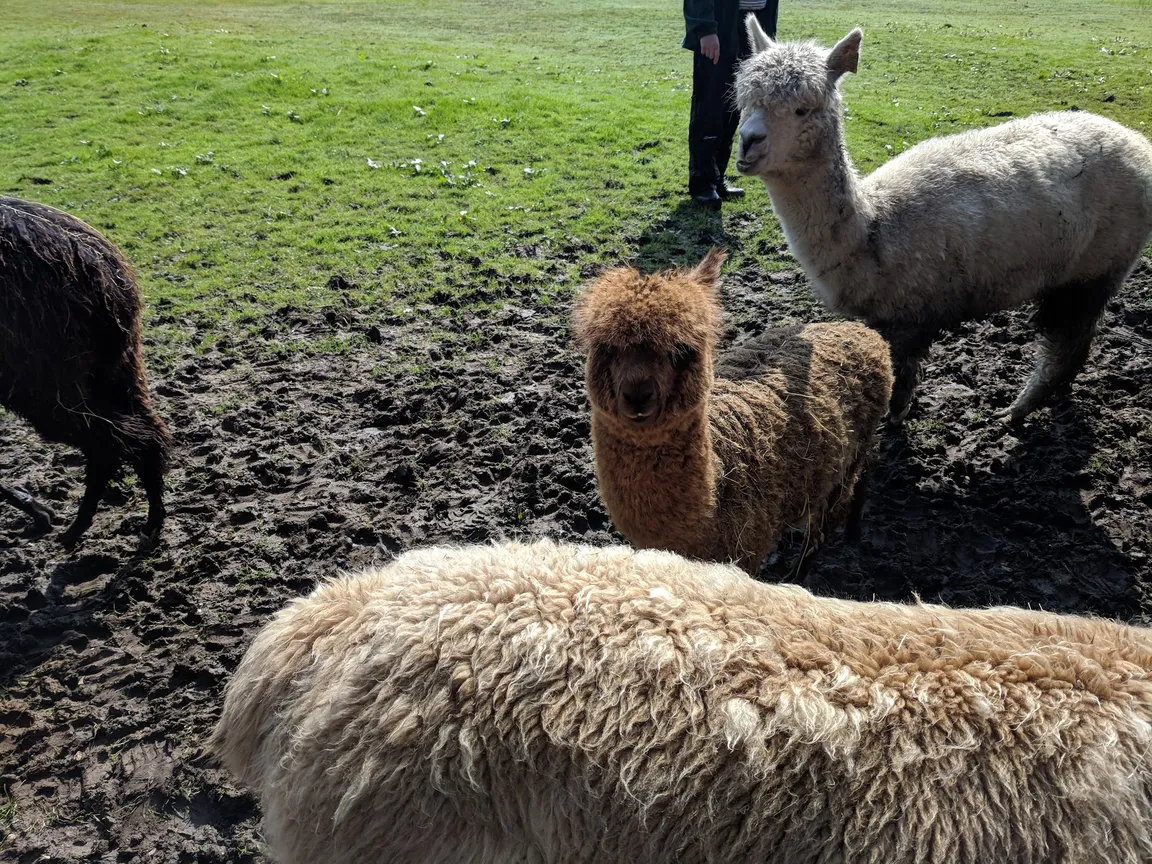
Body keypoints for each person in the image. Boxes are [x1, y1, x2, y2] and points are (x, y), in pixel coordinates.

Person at [683, 0, 779, 206]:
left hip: (755, 22)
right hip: (721, 24)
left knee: (735, 106)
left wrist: (768, 32)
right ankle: (703, 183)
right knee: (710, 105)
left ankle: (717, 178)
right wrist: (705, 29)